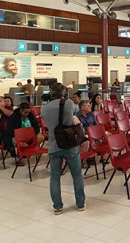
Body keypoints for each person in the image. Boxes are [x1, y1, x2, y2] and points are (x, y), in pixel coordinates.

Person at [41, 83, 86, 215]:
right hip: (69, 143)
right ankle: (80, 203)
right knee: (77, 174)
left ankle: (57, 206)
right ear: (63, 93)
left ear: (50, 93)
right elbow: (72, 117)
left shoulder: (44, 108)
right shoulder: (69, 103)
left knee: (55, 176)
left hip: (54, 144)